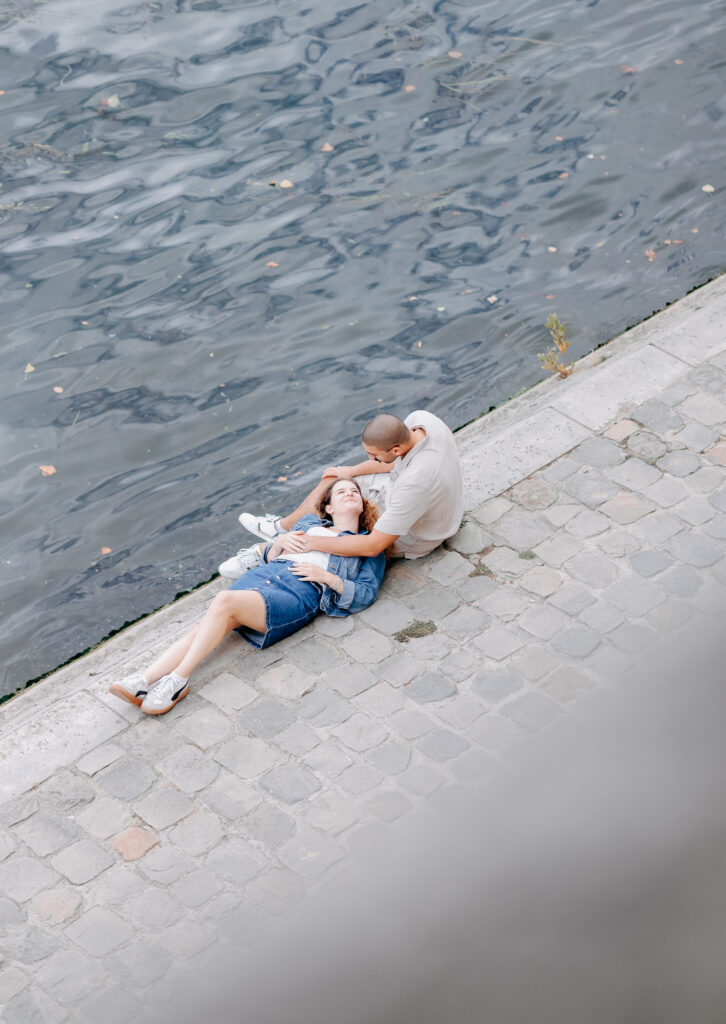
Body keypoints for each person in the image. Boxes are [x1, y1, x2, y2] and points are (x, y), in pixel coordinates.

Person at [109, 479, 385, 715]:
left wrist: (328, 578)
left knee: (223, 603)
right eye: (341, 492)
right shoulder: (309, 523)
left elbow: (365, 594)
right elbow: (269, 553)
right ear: (329, 507)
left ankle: (177, 679)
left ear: (361, 504)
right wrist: (277, 544)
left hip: (298, 593)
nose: (350, 493)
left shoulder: (368, 545)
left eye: (354, 491)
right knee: (210, 623)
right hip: (264, 577)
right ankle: (143, 680)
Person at [219, 410, 463, 577]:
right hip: (413, 498)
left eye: (374, 456)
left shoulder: (416, 483)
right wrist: (351, 471)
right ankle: (281, 529)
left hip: (416, 536)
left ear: (396, 448)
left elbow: (372, 546)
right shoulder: (423, 421)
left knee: (332, 530)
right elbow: (391, 464)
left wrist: (309, 542)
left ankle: (268, 552)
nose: (371, 460)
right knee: (337, 481)